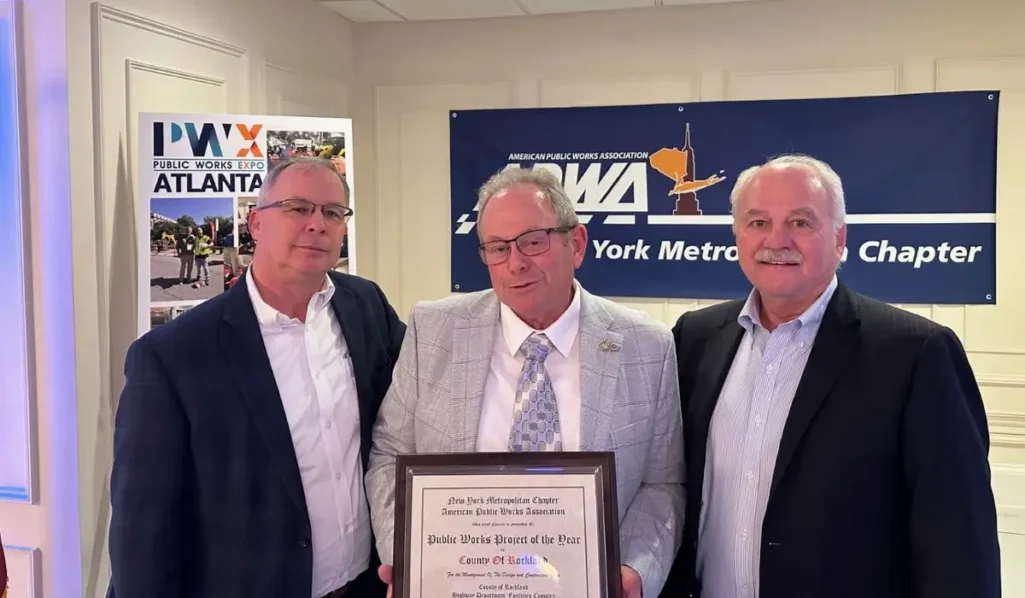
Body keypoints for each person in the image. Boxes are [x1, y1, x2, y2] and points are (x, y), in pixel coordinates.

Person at [661, 154, 1001, 598]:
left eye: (801, 223)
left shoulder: (916, 353)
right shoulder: (694, 338)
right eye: (757, 222)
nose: (776, 240)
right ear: (736, 235)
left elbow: (959, 539)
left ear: (840, 238)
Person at [366, 167, 685, 598]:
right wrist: (407, 557)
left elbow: (661, 483)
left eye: (533, 241)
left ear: (576, 244)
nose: (515, 263)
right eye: (497, 248)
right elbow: (390, 454)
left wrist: (635, 566)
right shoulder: (435, 329)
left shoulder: (646, 346)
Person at [107, 156, 403, 598]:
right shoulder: (172, 356)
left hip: (364, 586)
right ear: (256, 223)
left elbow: (416, 401)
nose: (317, 224)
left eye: (332, 212)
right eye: (298, 208)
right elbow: (142, 533)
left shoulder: (367, 306)